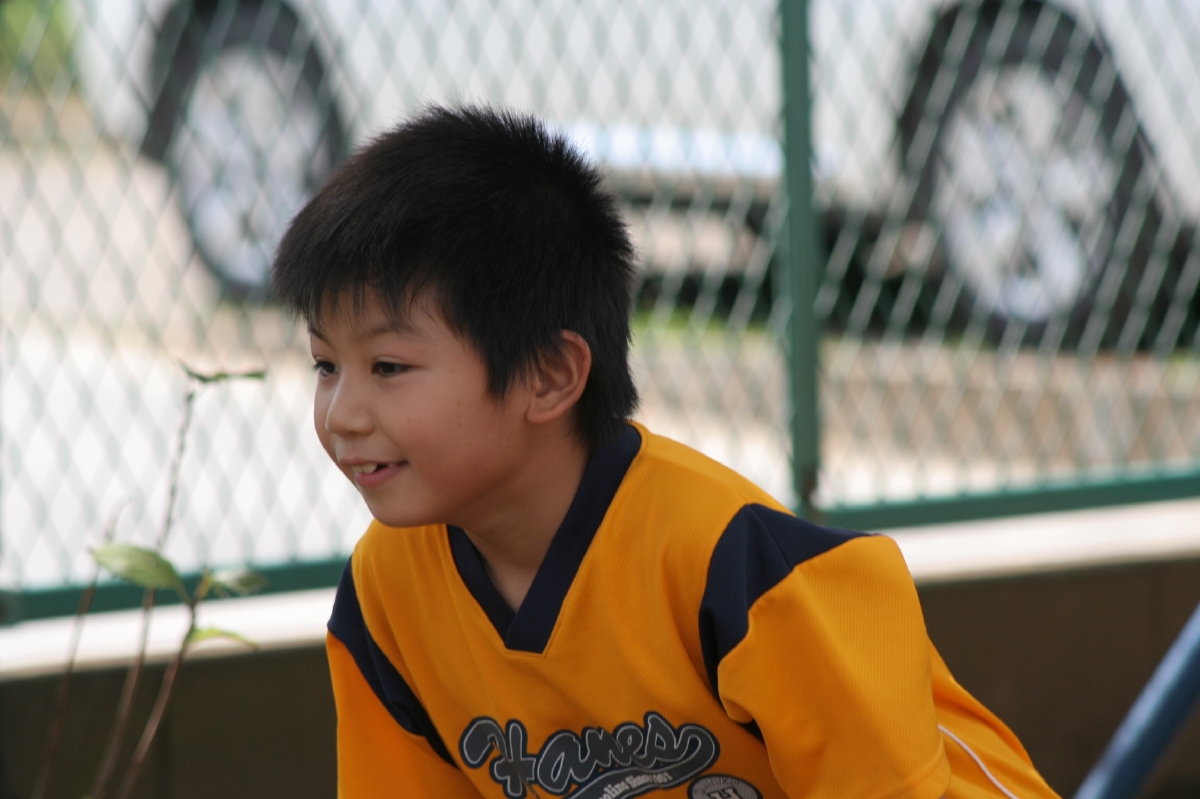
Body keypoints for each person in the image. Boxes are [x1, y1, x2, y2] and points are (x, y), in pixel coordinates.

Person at [272, 105, 1059, 799]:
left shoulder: (736, 565)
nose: (342, 413)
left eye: (388, 367)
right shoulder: (385, 596)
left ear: (550, 375)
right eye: (325, 365)